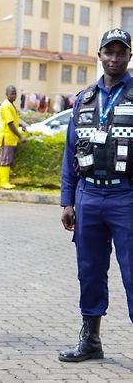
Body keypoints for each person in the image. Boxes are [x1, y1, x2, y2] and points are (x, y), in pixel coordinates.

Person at [59, 28, 133, 362]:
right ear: (99, 55)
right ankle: (91, 341)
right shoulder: (85, 98)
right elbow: (70, 152)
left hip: (125, 198)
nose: (114, 58)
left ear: (129, 57)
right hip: (88, 196)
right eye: (109, 52)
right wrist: (67, 200)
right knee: (89, 271)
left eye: (121, 52)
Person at [0, 85, 26, 189]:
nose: (14, 96)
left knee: (5, 159)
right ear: (6, 94)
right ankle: (3, 182)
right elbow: (10, 123)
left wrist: (22, 125)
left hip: (10, 137)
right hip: (6, 137)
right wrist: (20, 136)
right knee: (5, 160)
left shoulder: (11, 105)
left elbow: (15, 120)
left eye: (15, 93)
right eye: (11, 93)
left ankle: (1, 181)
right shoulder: (6, 105)